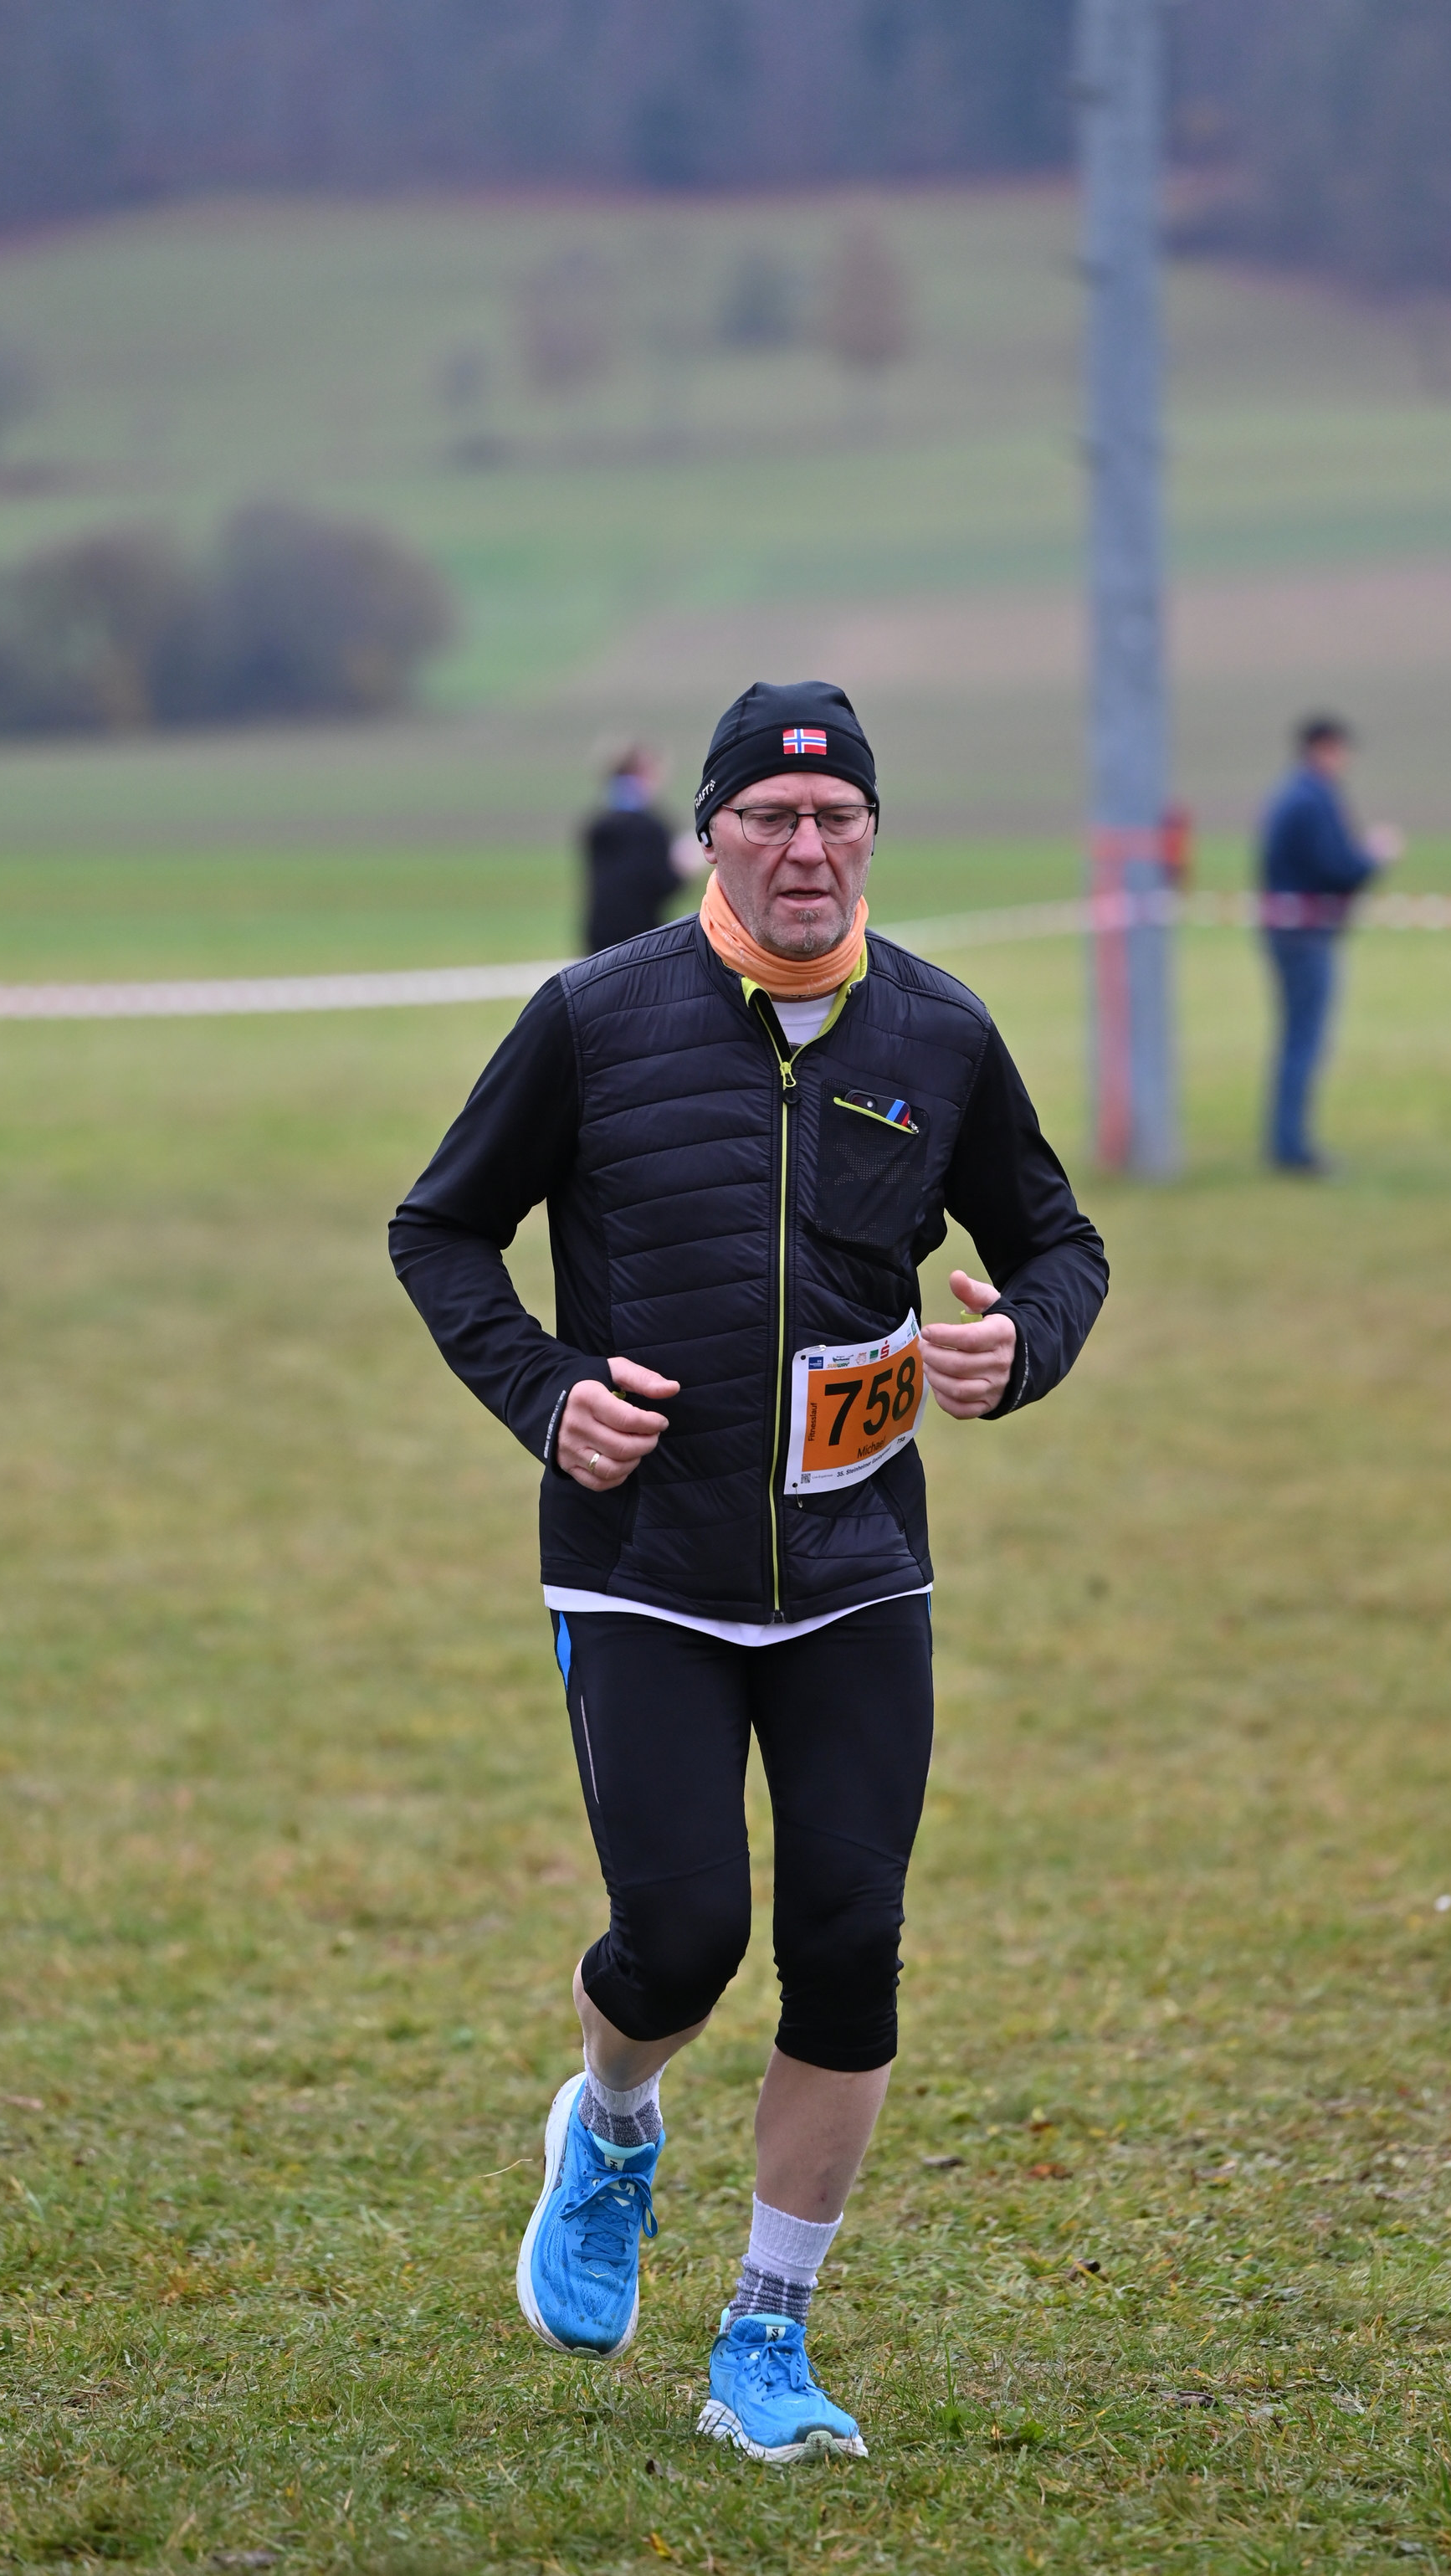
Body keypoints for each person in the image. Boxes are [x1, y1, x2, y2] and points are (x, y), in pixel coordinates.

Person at [390, 680, 1107, 2464]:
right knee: (684, 1938)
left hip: (858, 1563)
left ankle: (766, 2334)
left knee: (849, 1944)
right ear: (708, 832)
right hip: (642, 1563)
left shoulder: (938, 1032)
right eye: (770, 818)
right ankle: (610, 2126)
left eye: (836, 818)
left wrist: (1019, 1343)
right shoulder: (594, 1017)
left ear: (870, 835)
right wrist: (546, 1393)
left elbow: (1056, 1242)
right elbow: (441, 1226)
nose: (805, 849)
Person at [1259, 714, 1404, 1173]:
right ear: (1324, 748)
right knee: (1303, 1040)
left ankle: (1287, 1143)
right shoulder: (1313, 798)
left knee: (1295, 1038)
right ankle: (1291, 1148)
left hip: (1290, 931)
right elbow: (1337, 868)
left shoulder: (1293, 794)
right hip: (1305, 935)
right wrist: (1375, 855)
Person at [580, 742, 704, 955]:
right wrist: (685, 866)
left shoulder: (599, 824)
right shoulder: (651, 827)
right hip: (640, 936)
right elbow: (661, 884)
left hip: (598, 933)